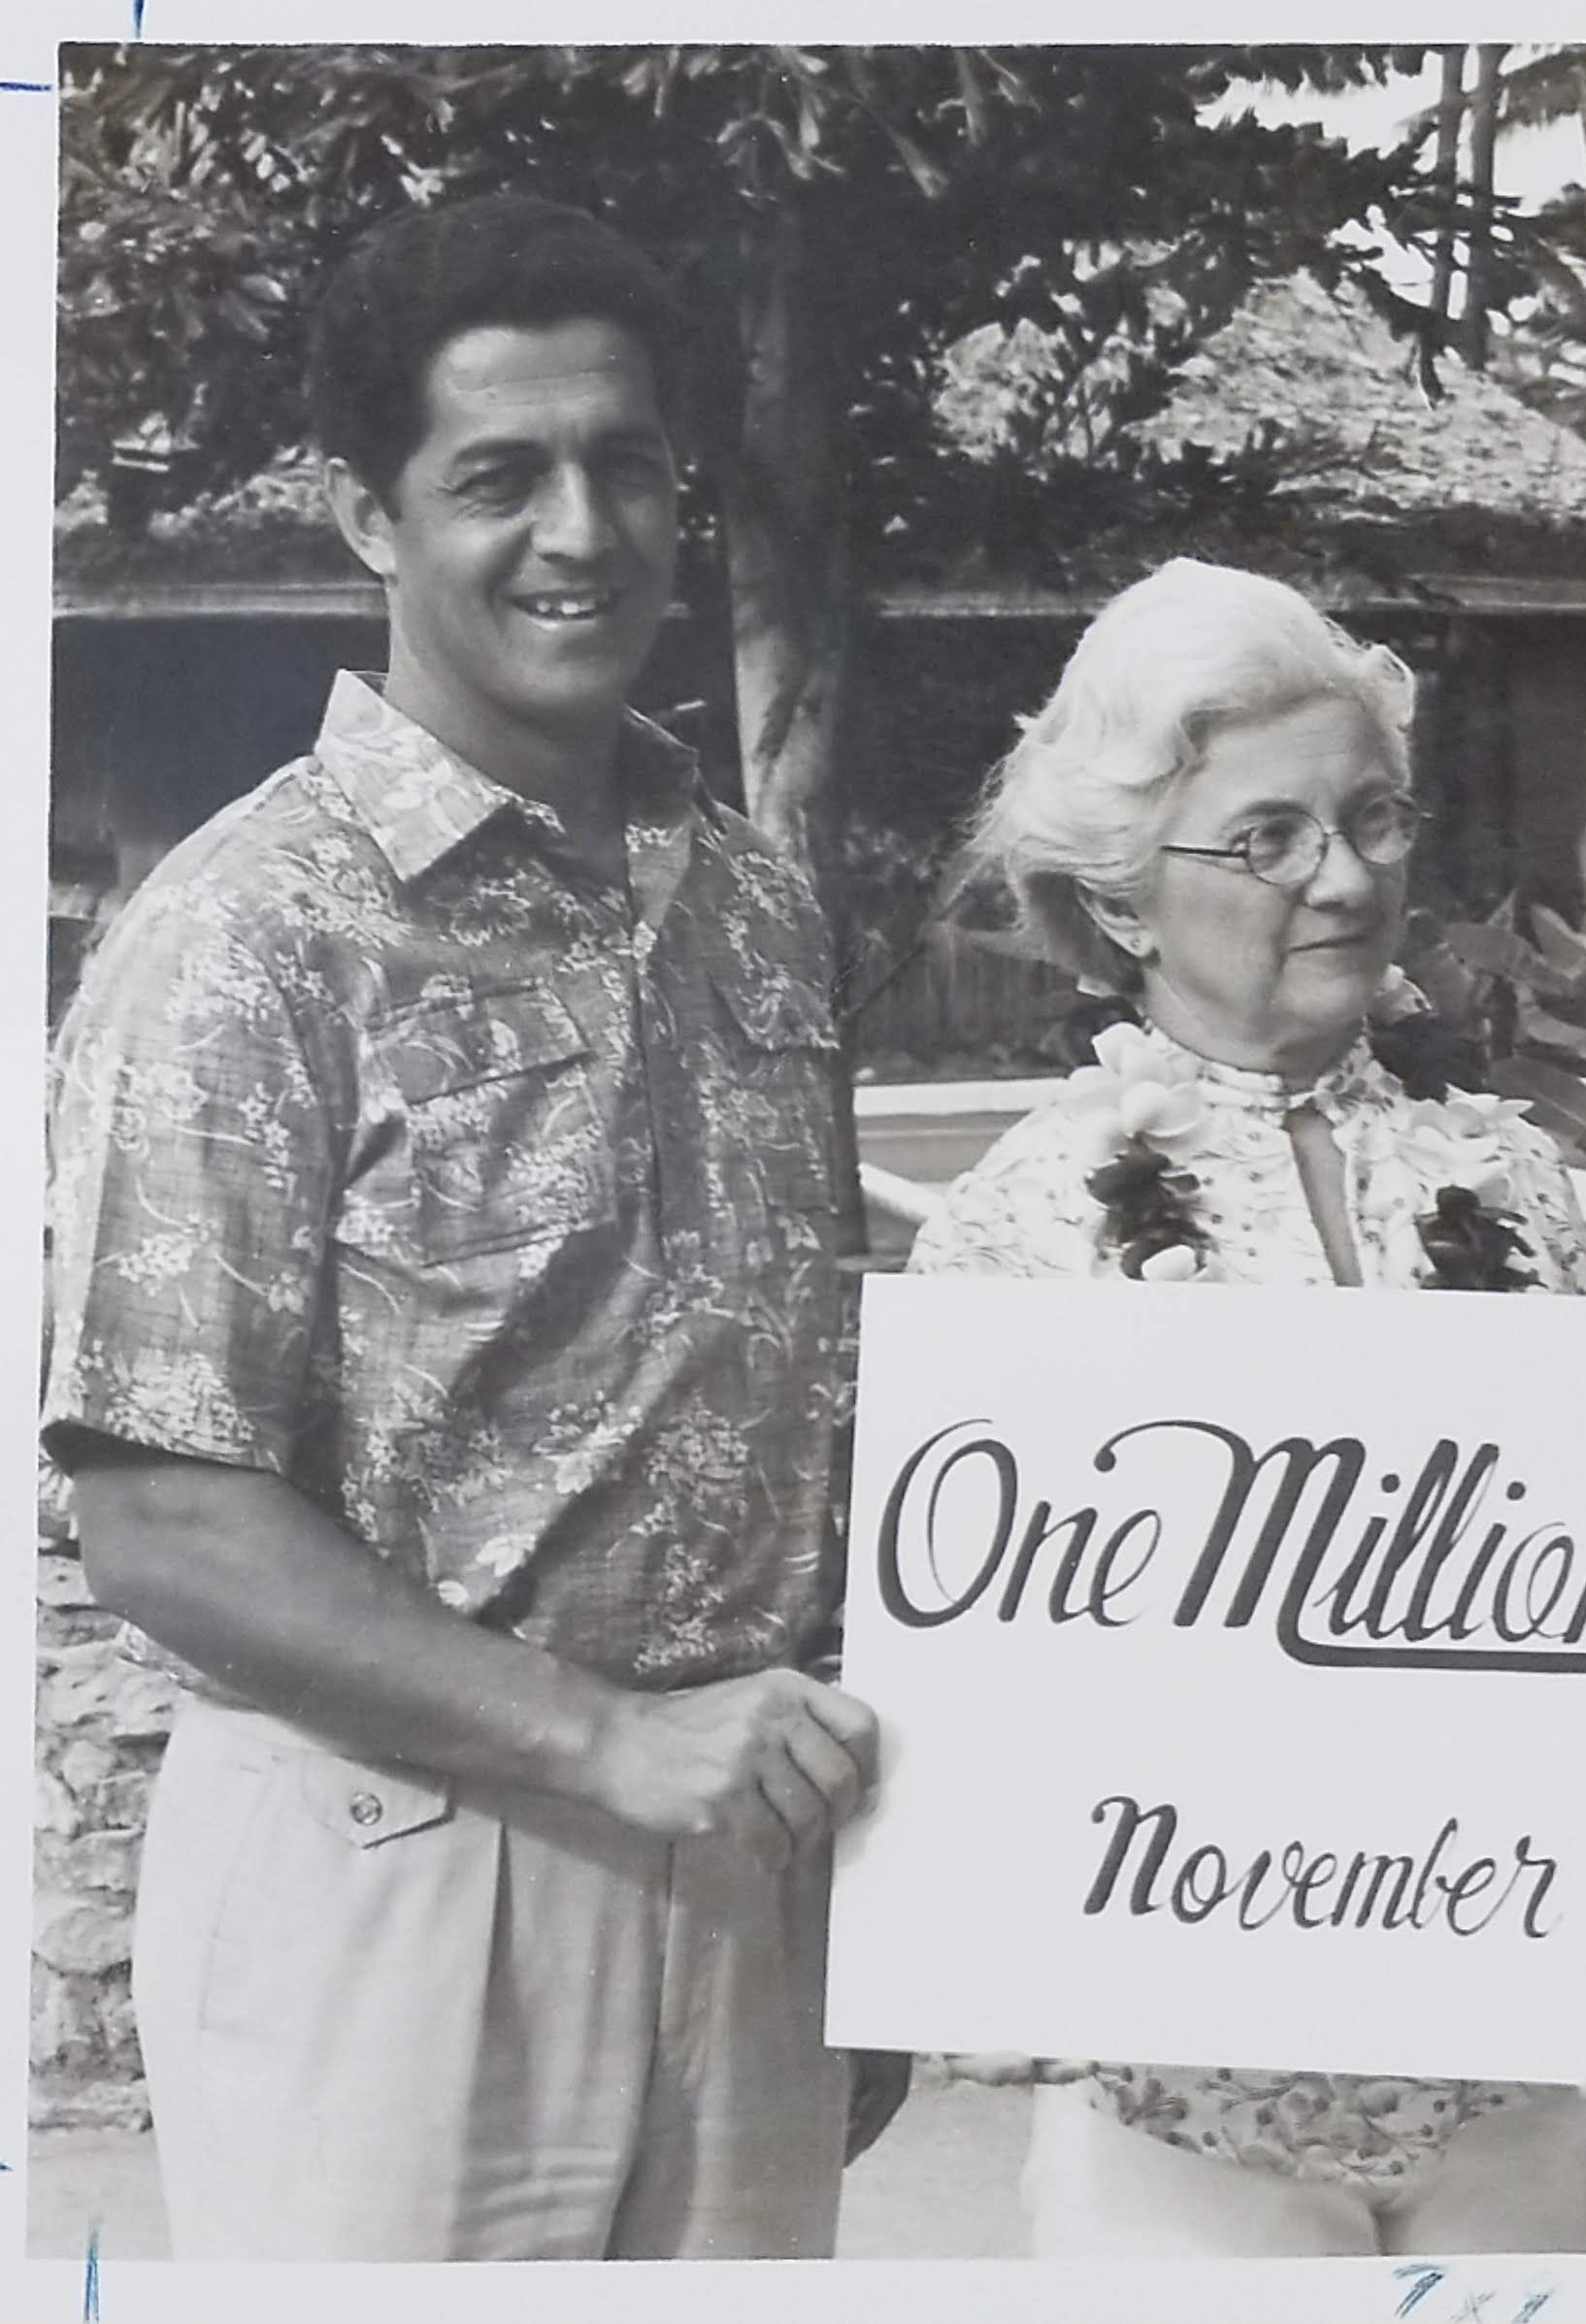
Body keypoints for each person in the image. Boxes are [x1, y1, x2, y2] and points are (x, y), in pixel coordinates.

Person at [42, 193, 900, 2260]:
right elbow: (162, 1519)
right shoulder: (251, 935)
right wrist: (607, 1739)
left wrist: (857, 1902)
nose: (580, 532)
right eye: (498, 476)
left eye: (626, 465)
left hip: (747, 1863)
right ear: (370, 519)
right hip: (403, 1856)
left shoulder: (756, 902)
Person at [909, 557, 1586, 2257]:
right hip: (1185, 2117)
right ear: (1130, 891)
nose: (1349, 877)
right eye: (1271, 838)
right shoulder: (1021, 1227)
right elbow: (986, 1712)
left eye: (1373, 819)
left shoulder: (1512, 1188)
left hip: (1508, 2098)